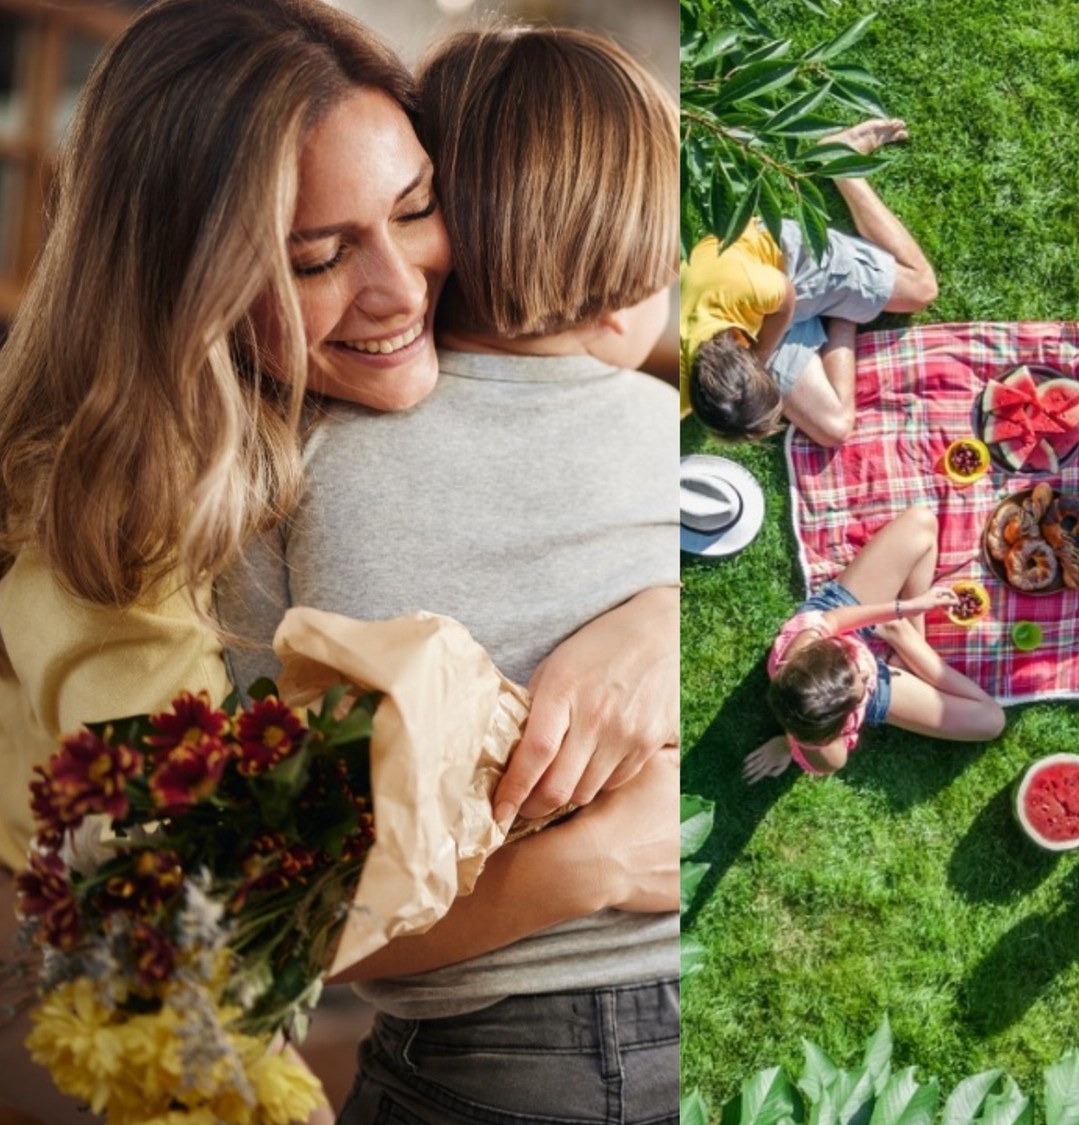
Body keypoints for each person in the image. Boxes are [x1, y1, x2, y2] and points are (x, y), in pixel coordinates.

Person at [0, 2, 676, 1118]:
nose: (402, 291)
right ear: (194, 292)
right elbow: (231, 956)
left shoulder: (342, 427)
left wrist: (655, 613)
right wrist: (590, 865)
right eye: (318, 259)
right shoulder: (132, 557)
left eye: (417, 208)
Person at [213, 23, 679, 1121]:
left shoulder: (286, 468)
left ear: (454, 219)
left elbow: (273, 895)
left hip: (471, 1048)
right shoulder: (666, 437)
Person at [682, 118, 937, 447]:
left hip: (786, 268)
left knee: (920, 289)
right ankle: (845, 308)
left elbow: (786, 298)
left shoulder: (742, 285)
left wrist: (762, 352)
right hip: (752, 331)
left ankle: (841, 161)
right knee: (835, 429)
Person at [744, 505, 1005, 780]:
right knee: (991, 721)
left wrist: (906, 608)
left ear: (821, 648)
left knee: (922, 523)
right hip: (834, 697)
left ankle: (901, 635)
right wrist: (789, 743)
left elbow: (837, 619)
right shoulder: (829, 753)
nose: (866, 670)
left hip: (845, 621)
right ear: (840, 726)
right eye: (862, 685)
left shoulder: (803, 641)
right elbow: (818, 741)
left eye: (854, 667)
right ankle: (903, 639)